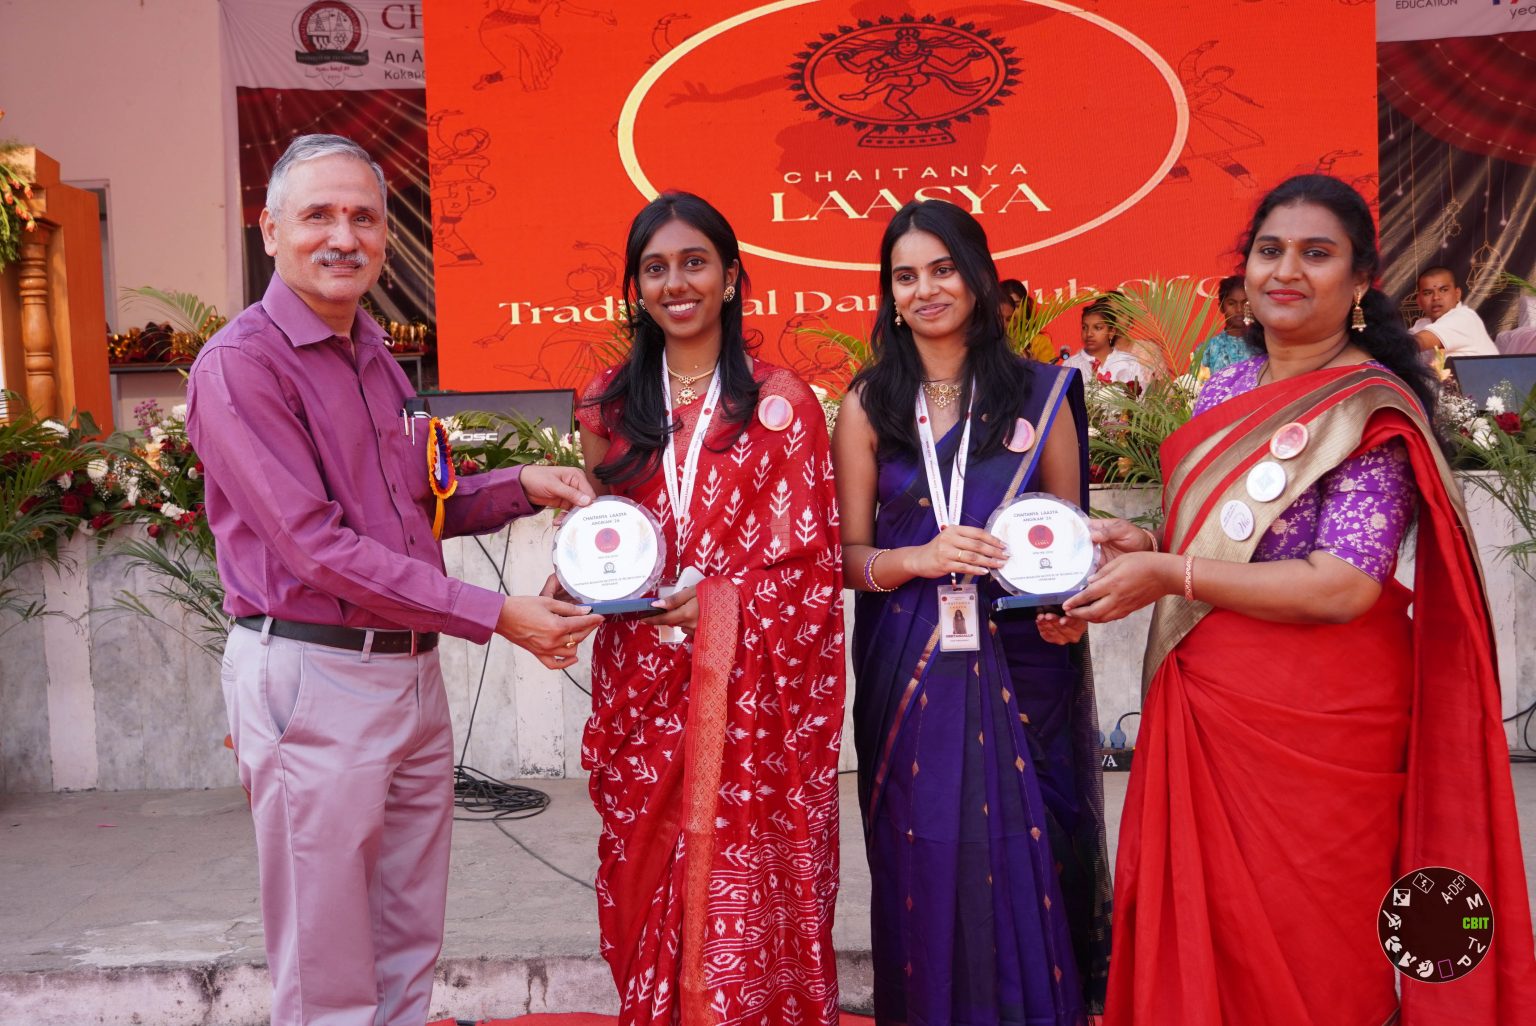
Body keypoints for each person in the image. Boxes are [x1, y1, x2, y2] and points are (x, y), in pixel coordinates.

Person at [1062, 174, 1536, 1024]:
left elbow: (1342, 583)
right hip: (1208, 699)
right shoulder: (1225, 385)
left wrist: (1171, 575)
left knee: (1319, 941)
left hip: (1322, 721)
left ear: (1360, 283)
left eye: (1317, 254)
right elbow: (1227, 538)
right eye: (1269, 251)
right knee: (1211, 935)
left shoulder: (1370, 405)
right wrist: (1152, 543)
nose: (1286, 271)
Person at [186, 135, 604, 1026]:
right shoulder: (242, 366)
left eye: (364, 217)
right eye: (319, 215)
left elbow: (413, 509)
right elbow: (316, 549)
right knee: (328, 962)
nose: (344, 237)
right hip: (315, 673)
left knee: (408, 940)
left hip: (409, 673)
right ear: (270, 230)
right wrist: (496, 614)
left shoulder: (372, 351)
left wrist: (520, 485)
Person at [834, 198, 1111, 1026]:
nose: (925, 290)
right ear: (889, 294)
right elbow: (847, 558)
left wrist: (1073, 609)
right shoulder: (870, 405)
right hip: (908, 664)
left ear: (981, 277)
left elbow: (1070, 542)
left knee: (1030, 845)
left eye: (943, 269)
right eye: (905, 276)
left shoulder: (1040, 394)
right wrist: (918, 559)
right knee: (926, 848)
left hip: (1026, 661)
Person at [570, 192, 845, 1025]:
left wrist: (721, 605)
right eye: (655, 268)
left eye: (694, 263)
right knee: (639, 874)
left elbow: (814, 570)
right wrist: (570, 576)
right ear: (636, 288)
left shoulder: (782, 404)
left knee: (741, 884)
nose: (676, 283)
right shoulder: (607, 403)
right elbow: (603, 534)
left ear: (730, 277)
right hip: (641, 685)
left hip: (749, 701)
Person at [1409, 265, 1497, 357]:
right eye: (1428, 293)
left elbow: (1413, 344)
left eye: (1444, 290)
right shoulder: (1422, 325)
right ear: (1418, 301)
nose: (1436, 297)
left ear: (1457, 294)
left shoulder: (1464, 318)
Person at [1065, 296, 1147, 387]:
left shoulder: (1129, 363)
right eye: (1084, 327)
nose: (1089, 334)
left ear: (1111, 332)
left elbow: (1141, 395)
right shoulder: (1070, 364)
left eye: (1098, 328)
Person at [1196, 274, 1254, 373]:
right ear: (1221, 307)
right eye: (1231, 303)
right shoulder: (1207, 350)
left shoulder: (1264, 345)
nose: (1239, 309)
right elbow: (1198, 381)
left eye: (1245, 302)